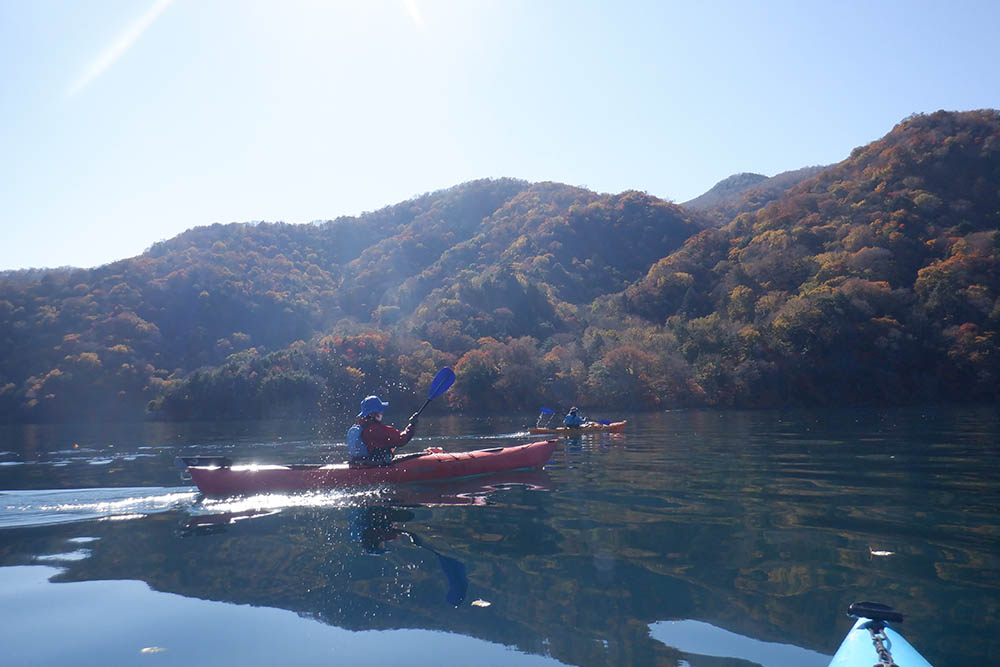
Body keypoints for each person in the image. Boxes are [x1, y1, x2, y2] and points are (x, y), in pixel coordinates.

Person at [347, 395, 419, 465]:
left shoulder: (361, 427)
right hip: (377, 465)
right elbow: (401, 439)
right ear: (373, 414)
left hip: (361, 463)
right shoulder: (377, 430)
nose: (382, 413)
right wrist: (412, 425)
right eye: (380, 411)